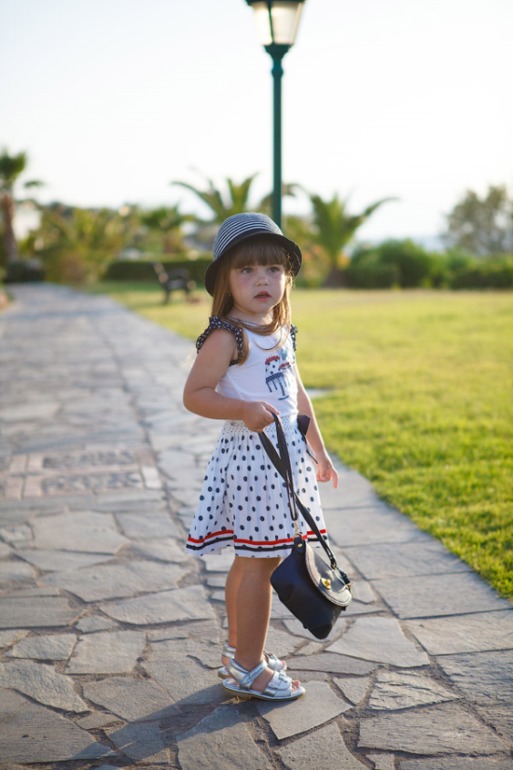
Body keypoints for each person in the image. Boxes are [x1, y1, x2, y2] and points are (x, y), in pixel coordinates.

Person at [183, 212, 338, 702]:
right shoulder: (228, 335)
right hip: (253, 461)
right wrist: (241, 408)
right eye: (247, 270)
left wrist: (319, 449)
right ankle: (249, 668)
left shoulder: (280, 328)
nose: (262, 279)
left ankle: (239, 653)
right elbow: (195, 394)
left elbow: (296, 393)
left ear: (287, 276)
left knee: (253, 558)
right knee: (262, 562)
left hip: (285, 458)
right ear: (226, 281)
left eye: (273, 269)